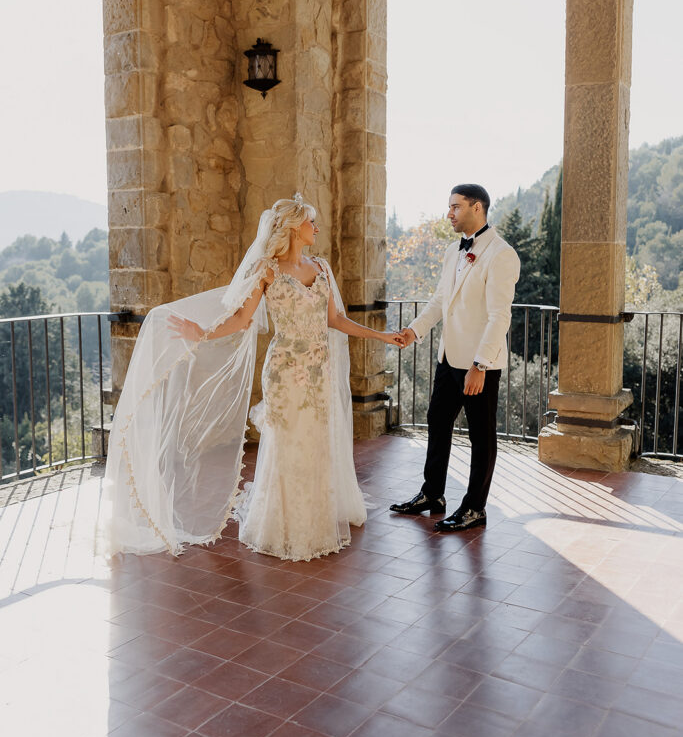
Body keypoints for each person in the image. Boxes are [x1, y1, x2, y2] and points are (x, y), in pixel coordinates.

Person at [101, 194, 404, 562]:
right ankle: (283, 525)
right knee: (288, 443)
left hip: (318, 371)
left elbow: (336, 320)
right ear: (294, 228)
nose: (317, 228)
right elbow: (241, 320)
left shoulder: (322, 267)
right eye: (311, 222)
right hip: (285, 371)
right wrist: (200, 331)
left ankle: (314, 516)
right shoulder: (267, 270)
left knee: (315, 442)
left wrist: (383, 337)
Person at [390, 184, 520, 532]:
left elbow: (499, 317)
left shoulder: (501, 254)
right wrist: (413, 331)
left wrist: (480, 365)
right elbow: (438, 301)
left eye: (456, 207)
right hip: (447, 359)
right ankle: (432, 494)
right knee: (437, 421)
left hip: (479, 365)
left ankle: (475, 508)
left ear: (478, 208)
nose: (449, 214)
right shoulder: (452, 251)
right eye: (449, 207)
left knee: (481, 436)